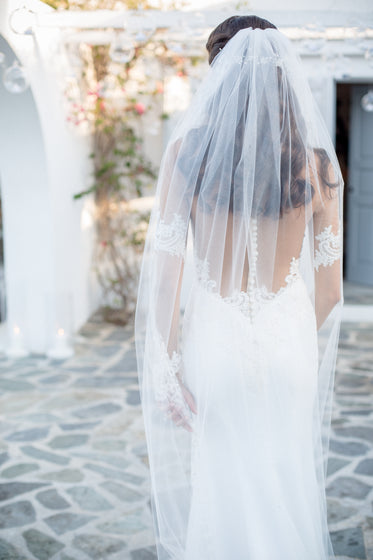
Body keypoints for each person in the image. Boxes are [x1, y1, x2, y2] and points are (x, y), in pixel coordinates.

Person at [135, 15, 343, 560]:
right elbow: (331, 292)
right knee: (284, 480)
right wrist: (287, 331)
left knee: (224, 485)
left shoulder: (187, 155)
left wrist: (166, 363)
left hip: (217, 346)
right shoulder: (317, 167)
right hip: (287, 349)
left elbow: (164, 275)